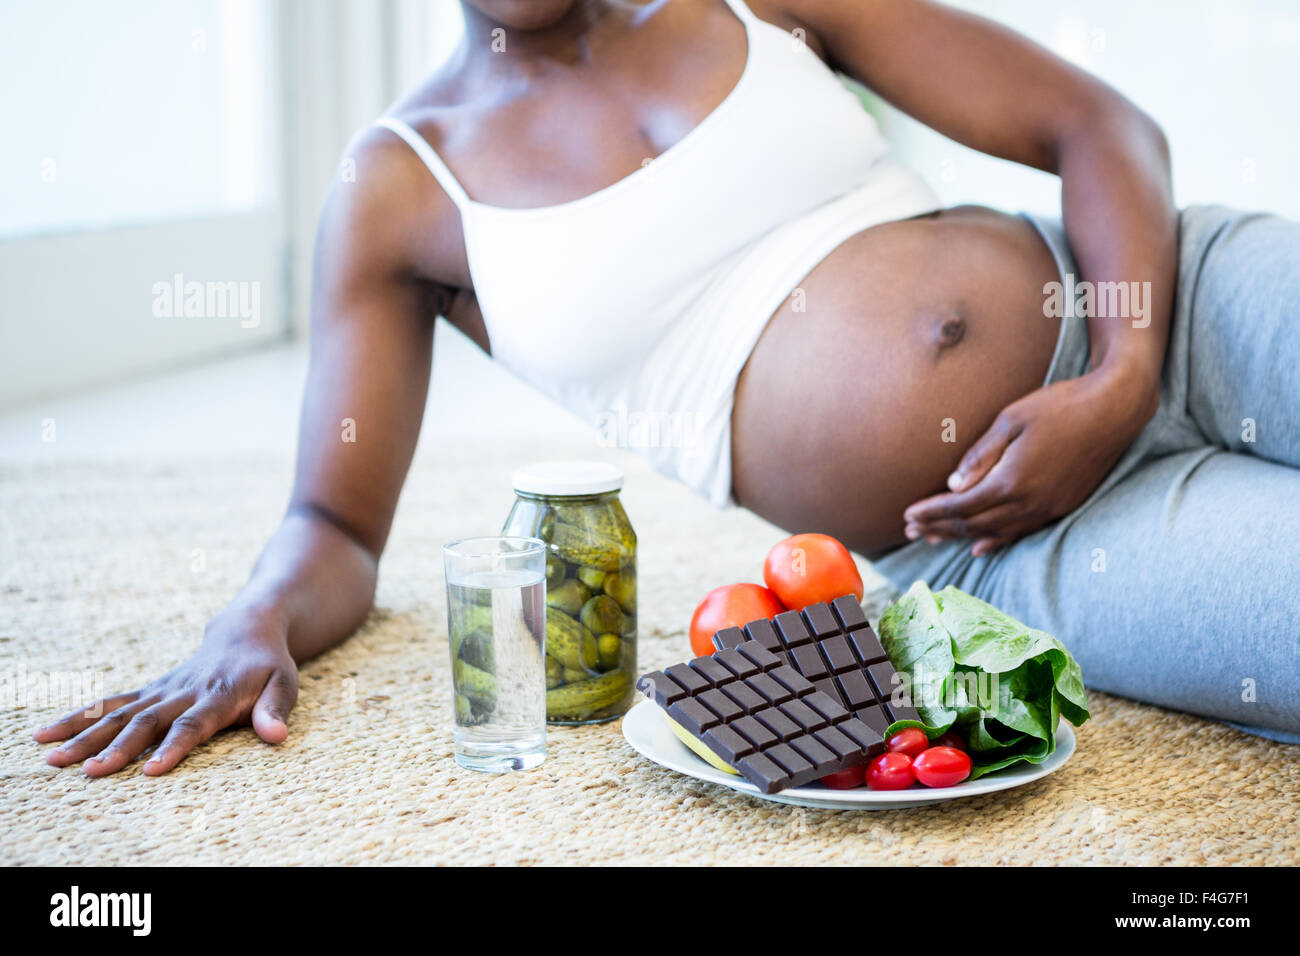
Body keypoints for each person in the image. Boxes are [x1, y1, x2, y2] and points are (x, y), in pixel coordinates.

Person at [35, 0, 1300, 777]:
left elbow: (1096, 124)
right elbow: (335, 524)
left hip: (1168, 299)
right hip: (1003, 538)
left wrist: (1126, 372)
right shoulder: (400, 191)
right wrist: (248, 618)